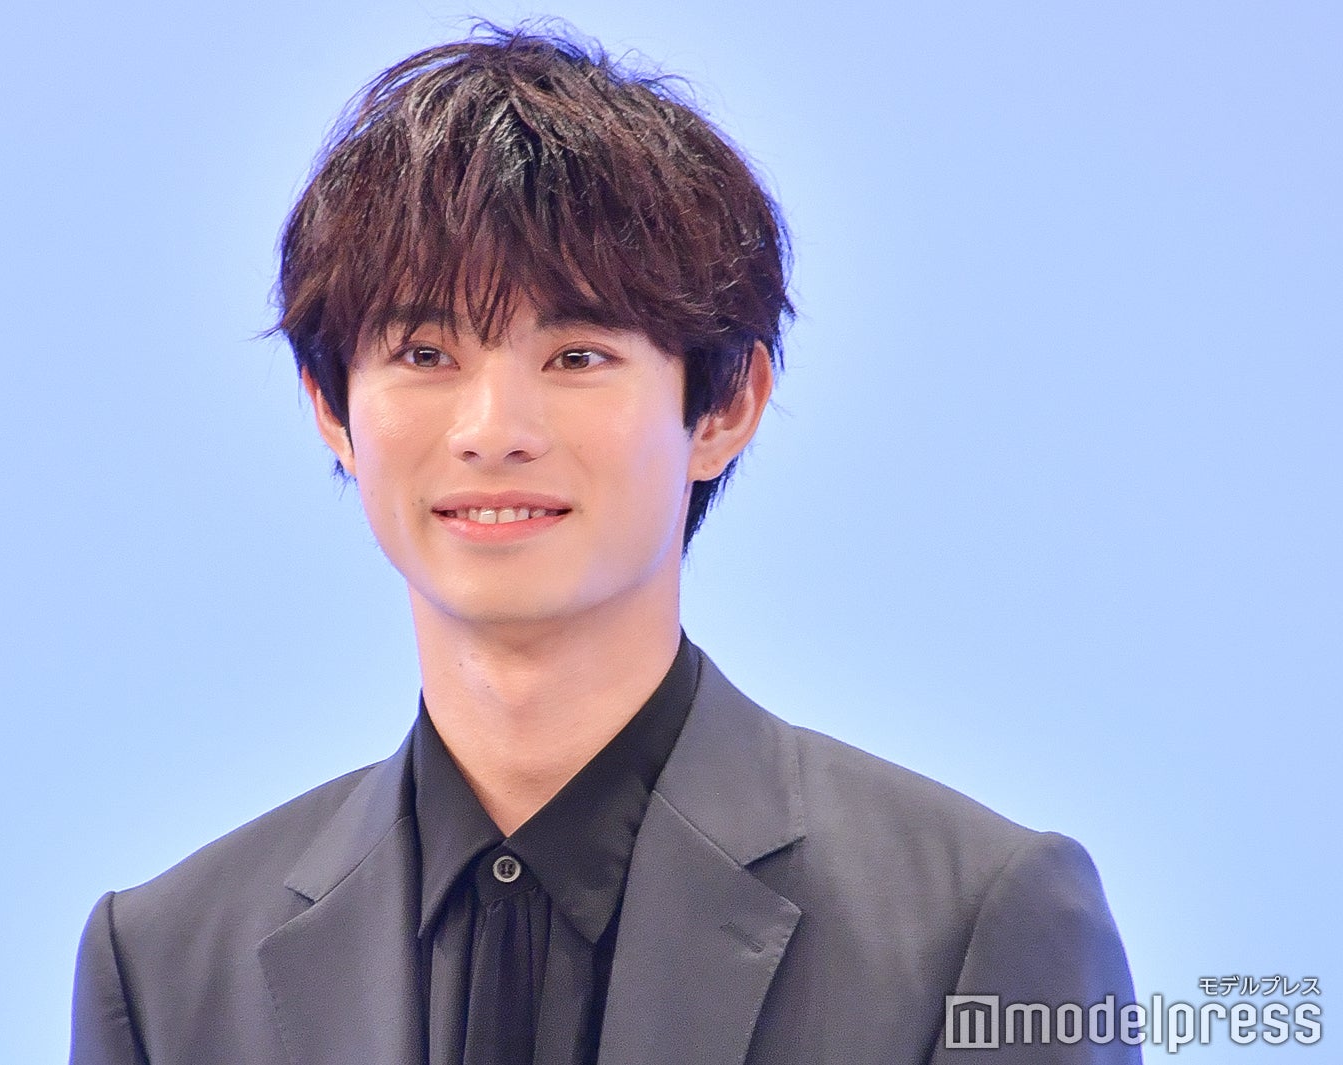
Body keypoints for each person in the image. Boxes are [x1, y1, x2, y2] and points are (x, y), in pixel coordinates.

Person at [70, 25, 1139, 1065]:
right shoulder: (166, 971)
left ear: (726, 405)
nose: (493, 430)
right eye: (425, 352)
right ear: (329, 406)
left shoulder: (972, 923)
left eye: (576, 354)